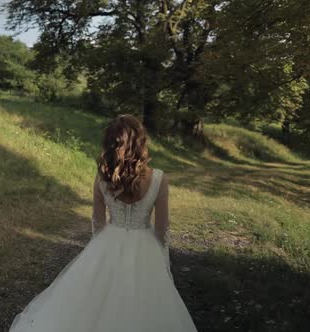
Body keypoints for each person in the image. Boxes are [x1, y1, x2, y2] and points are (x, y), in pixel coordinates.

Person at [10, 114, 196, 331]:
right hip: (146, 245)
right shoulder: (159, 179)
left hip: (109, 240)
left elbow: (98, 223)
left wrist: (98, 253)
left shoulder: (102, 178)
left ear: (109, 143)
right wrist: (164, 259)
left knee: (94, 300)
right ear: (141, 142)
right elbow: (163, 228)